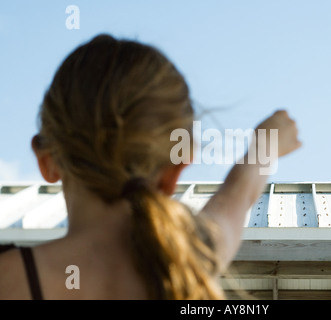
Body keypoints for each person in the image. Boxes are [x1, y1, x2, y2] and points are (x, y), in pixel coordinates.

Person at [0, 34, 301, 299]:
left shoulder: (9, 279)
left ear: (47, 162)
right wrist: (267, 143)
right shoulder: (191, 258)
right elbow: (239, 193)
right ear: (175, 172)